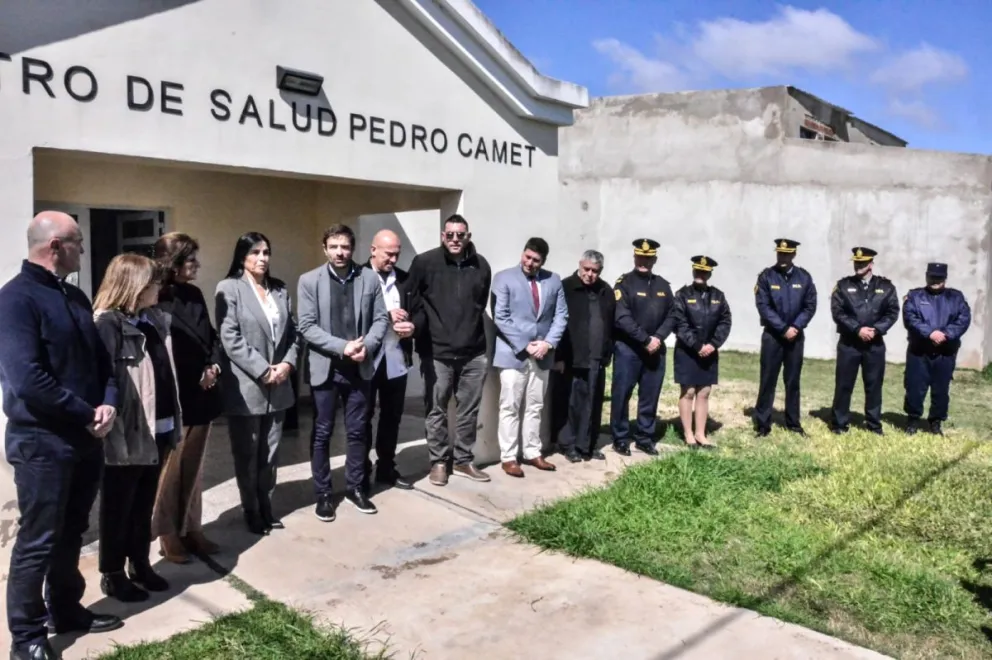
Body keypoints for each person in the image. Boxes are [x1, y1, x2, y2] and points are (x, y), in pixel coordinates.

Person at [0, 211, 122, 660]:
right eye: (78, 242)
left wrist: (108, 402)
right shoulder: (15, 300)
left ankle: (66, 609)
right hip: (42, 443)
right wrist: (87, 412)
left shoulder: (74, 296)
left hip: (85, 438)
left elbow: (102, 363)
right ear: (55, 247)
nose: (83, 249)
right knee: (39, 540)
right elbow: (27, 379)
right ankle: (27, 637)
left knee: (72, 531)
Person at [92, 254, 182, 603]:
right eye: (153, 282)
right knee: (119, 505)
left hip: (159, 426)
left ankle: (139, 563)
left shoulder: (152, 320)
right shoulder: (107, 324)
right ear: (135, 285)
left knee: (144, 502)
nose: (159, 287)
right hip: (128, 431)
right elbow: (103, 379)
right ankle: (113, 573)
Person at [298, 224, 388, 520]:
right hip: (326, 367)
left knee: (358, 431)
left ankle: (355, 487)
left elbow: (380, 319)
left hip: (359, 366)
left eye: (345, 247)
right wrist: (343, 347)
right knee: (322, 432)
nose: (340, 252)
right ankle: (323, 494)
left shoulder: (369, 278)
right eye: (334, 246)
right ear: (324, 248)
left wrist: (367, 347)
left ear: (353, 249)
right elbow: (307, 326)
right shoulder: (309, 281)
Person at [215, 232, 299, 535]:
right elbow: (229, 337)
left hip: (279, 385)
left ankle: (266, 504)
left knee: (271, 453)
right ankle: (250, 508)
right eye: (255, 252)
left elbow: (293, 333)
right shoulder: (229, 288)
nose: (262, 258)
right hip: (248, 385)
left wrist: (287, 364)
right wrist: (263, 370)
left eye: (266, 252)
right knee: (247, 453)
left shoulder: (279, 289)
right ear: (242, 257)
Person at [152, 232, 224, 563]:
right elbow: (162, 351)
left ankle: (192, 527)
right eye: (191, 259)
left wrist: (213, 366)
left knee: (194, 471)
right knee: (171, 472)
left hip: (203, 395)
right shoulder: (156, 297)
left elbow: (210, 337)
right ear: (174, 262)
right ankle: (168, 534)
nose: (197, 265)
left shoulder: (194, 294)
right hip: (175, 398)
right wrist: (195, 373)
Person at [406, 214, 492, 486]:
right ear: (443, 236)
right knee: (436, 410)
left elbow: (479, 304)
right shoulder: (424, 263)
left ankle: (464, 460)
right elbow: (412, 302)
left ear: (468, 237)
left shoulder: (481, 265)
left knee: (469, 410)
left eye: (460, 235)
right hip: (436, 352)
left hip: (474, 353)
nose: (455, 239)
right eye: (450, 235)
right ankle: (439, 462)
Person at [491, 237, 568, 477]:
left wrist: (547, 343)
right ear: (522, 253)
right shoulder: (503, 278)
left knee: (536, 406)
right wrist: (525, 346)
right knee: (510, 406)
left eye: (536, 260)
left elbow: (561, 316)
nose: (530, 263)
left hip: (543, 354)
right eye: (527, 257)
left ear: (543, 261)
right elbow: (501, 317)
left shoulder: (554, 280)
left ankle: (533, 452)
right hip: (513, 354)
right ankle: (508, 457)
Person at [610, 238, 675, 456]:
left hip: (655, 350)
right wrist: (645, 339)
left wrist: (658, 337)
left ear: (654, 260)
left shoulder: (663, 285)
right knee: (622, 395)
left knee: (650, 395)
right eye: (640, 257)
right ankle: (620, 437)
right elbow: (621, 317)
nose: (643, 261)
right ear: (634, 257)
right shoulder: (624, 283)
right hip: (628, 350)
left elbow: (673, 314)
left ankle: (644, 437)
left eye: (648, 258)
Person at [363, 229, 416, 491]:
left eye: (397, 254)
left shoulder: (405, 279)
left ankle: (386, 466)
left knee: (392, 417)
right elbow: (352, 316)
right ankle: (360, 469)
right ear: (373, 250)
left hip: (396, 358)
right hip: (366, 359)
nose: (393, 260)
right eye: (388, 254)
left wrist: (413, 326)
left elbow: (419, 311)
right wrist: (386, 314)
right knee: (362, 416)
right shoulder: (359, 276)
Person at [828, 247, 900, 435]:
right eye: (856, 262)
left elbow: (892, 312)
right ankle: (839, 424)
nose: (858, 265)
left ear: (871, 264)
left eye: (862, 262)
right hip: (849, 344)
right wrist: (857, 329)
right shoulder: (843, 286)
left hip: (874, 344)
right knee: (844, 384)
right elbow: (838, 312)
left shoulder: (886, 287)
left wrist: (876, 330)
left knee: (874, 385)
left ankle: (874, 424)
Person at [552, 250, 614, 463]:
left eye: (595, 271)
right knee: (571, 403)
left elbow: (610, 323)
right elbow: (557, 322)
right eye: (586, 269)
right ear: (580, 265)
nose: (590, 274)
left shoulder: (605, 290)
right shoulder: (566, 287)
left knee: (593, 402)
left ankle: (588, 444)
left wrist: (607, 352)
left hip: (597, 357)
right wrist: (558, 356)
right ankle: (568, 445)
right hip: (571, 356)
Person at [751, 238, 817, 437]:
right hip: (773, 336)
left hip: (795, 337)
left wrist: (796, 326)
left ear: (793, 254)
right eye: (780, 253)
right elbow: (763, 306)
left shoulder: (804, 277)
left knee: (793, 381)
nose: (783, 257)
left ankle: (793, 423)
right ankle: (763, 424)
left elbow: (810, 305)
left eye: (787, 254)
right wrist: (783, 328)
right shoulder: (766, 276)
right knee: (768, 380)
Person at [902, 262, 971, 436]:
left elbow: (963, 319)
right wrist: (930, 333)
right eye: (932, 277)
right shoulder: (915, 296)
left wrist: (946, 334)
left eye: (939, 278)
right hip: (919, 351)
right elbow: (910, 318)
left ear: (945, 279)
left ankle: (936, 422)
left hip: (945, 352)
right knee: (915, 387)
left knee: (941, 389)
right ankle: (913, 420)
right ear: (926, 276)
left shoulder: (956, 297)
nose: (935, 281)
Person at [671, 255, 732, 449]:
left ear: (709, 274)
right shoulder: (682, 295)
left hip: (709, 351)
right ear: (693, 271)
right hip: (688, 351)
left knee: (704, 392)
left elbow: (725, 321)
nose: (701, 274)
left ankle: (700, 433)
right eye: (698, 270)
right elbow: (679, 323)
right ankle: (688, 434)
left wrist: (713, 344)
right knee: (688, 391)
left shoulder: (718, 296)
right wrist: (697, 346)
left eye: (704, 272)